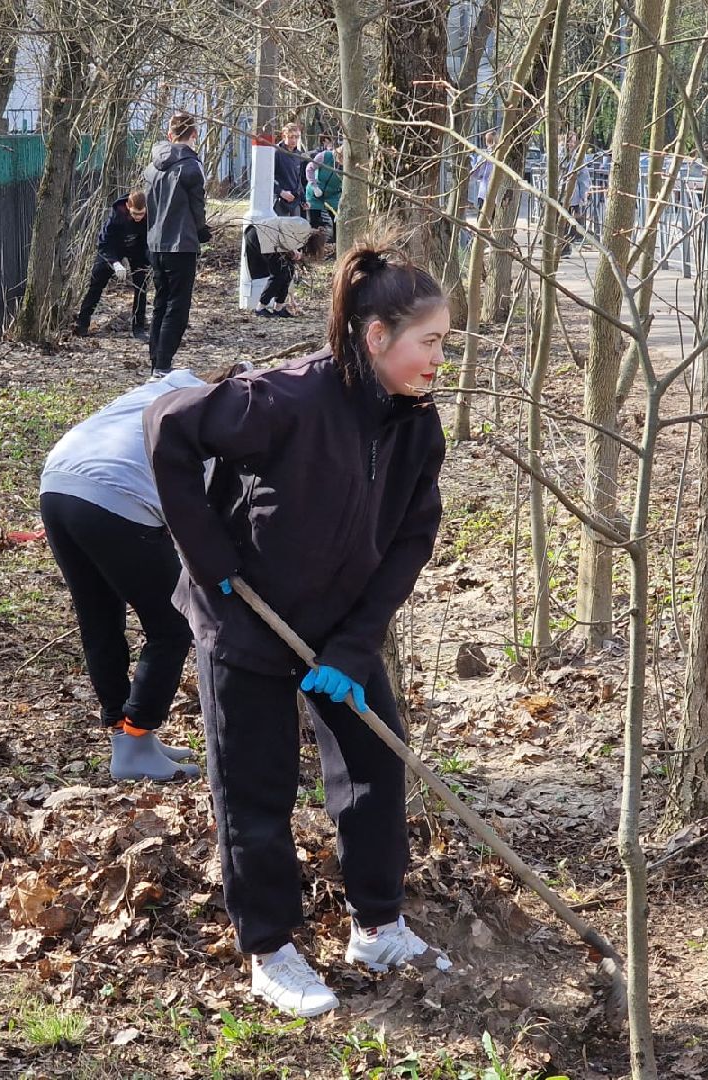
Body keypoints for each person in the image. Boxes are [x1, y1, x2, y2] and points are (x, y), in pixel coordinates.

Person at [144, 242, 453, 1018]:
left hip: (337, 627)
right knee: (257, 787)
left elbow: (413, 536)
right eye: (431, 342)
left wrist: (354, 646)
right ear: (376, 335)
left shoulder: (415, 426)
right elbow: (167, 426)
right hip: (245, 617)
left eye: (445, 342)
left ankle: (377, 925)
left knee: (375, 772)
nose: (439, 359)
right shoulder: (282, 398)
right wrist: (212, 560)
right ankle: (271, 951)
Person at [39, 363, 251, 782]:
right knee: (172, 622)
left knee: (99, 616)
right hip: (115, 496)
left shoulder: (172, 384)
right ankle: (136, 741)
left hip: (58, 485)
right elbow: (197, 521)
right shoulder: (212, 427)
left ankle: (127, 735)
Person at [143, 111, 211, 374]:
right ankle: (163, 364)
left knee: (161, 301)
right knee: (178, 305)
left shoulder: (152, 167)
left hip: (156, 243)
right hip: (181, 244)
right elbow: (197, 206)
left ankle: (155, 361)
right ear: (194, 135)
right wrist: (202, 230)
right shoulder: (192, 167)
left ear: (170, 135)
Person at [73, 189, 151, 339]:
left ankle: (138, 327)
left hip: (137, 248)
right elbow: (103, 243)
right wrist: (114, 262)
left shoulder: (149, 216)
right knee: (97, 282)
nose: (138, 218)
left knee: (141, 286)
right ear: (128, 207)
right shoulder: (116, 215)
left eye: (141, 214)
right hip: (113, 248)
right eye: (135, 214)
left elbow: (150, 241)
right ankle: (82, 324)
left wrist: (151, 259)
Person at [243, 216, 325, 318]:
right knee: (279, 274)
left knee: (288, 271)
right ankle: (260, 308)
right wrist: (292, 248)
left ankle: (279, 308)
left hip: (264, 237)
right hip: (260, 235)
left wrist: (293, 250)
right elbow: (285, 227)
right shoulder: (304, 227)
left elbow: (284, 237)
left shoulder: (301, 237)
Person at [558, 131, 592, 254]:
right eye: (569, 141)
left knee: (569, 223)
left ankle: (565, 248)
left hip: (572, 195)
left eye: (574, 141)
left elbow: (584, 177)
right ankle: (558, 247)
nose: (572, 144)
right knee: (558, 221)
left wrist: (585, 194)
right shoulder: (558, 155)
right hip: (558, 194)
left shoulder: (578, 158)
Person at [305, 144, 342, 248]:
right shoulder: (324, 156)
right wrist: (314, 186)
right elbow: (309, 169)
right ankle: (313, 249)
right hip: (316, 191)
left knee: (337, 221)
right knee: (314, 221)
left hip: (333, 194)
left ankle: (337, 247)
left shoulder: (349, 164)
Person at [273, 122, 308, 218]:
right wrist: (280, 192)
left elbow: (298, 179)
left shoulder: (298, 154)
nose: (294, 140)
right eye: (291, 137)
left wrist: (303, 199)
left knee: (295, 230)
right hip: (279, 200)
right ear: (284, 136)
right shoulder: (276, 152)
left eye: (296, 137)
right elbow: (266, 178)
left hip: (295, 200)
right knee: (281, 230)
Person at [470, 130, 497, 211]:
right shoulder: (501, 155)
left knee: (482, 216)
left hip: (484, 191)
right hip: (497, 194)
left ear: (486, 141)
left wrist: (471, 160)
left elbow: (475, 172)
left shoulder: (485, 154)